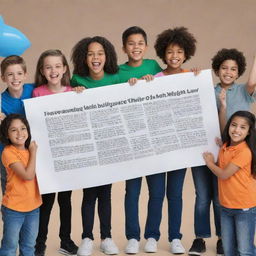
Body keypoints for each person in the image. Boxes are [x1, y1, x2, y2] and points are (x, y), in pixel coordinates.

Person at [154, 27, 218, 255]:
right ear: (163, 53)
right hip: (159, 146)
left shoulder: (192, 76)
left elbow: (203, 107)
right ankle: (152, 236)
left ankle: (175, 237)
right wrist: (145, 83)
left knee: (176, 194)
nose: (174, 56)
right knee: (156, 194)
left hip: (181, 148)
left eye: (179, 51)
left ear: (186, 53)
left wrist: (198, 80)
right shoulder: (156, 79)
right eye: (170, 51)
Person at [71, 36, 120, 256]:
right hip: (87, 148)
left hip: (110, 146)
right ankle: (87, 238)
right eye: (90, 53)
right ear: (84, 57)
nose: (95, 57)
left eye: (100, 53)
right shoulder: (76, 80)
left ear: (107, 55)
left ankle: (106, 237)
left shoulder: (116, 78)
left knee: (106, 195)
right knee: (89, 195)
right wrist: (75, 94)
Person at [117, 26, 164, 254]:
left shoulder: (154, 67)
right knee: (132, 193)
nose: (135, 47)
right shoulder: (117, 72)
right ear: (124, 47)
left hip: (154, 141)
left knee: (156, 192)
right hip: (130, 143)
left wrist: (151, 81)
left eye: (140, 43)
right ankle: (133, 237)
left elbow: (171, 87)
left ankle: (152, 235)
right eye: (131, 43)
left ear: (146, 46)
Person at [33, 49, 80, 256]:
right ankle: (39, 242)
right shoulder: (37, 93)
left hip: (67, 156)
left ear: (65, 69)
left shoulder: (73, 91)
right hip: (46, 159)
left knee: (66, 201)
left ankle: (66, 240)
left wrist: (80, 95)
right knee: (47, 202)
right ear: (42, 71)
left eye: (57, 66)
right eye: (48, 67)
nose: (53, 71)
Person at [203, 111, 256, 256]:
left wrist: (209, 163)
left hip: (244, 209)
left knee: (245, 250)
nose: (237, 130)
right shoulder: (225, 147)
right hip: (226, 207)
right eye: (234, 125)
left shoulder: (245, 152)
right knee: (228, 250)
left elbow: (224, 174)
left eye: (242, 127)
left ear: (249, 132)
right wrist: (217, 155)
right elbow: (222, 167)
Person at [0, 114, 41, 256]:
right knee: (9, 247)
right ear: (6, 134)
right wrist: (34, 153)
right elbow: (27, 176)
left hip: (34, 207)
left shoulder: (30, 149)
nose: (19, 133)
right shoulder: (8, 152)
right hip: (13, 209)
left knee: (29, 246)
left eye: (23, 128)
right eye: (13, 130)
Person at [0, 55, 34, 194]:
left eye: (19, 73)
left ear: (25, 75)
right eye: (10, 74)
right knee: (11, 193)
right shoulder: (1, 102)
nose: (15, 78)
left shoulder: (35, 90)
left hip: (33, 152)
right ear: (3, 78)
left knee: (34, 196)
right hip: (9, 157)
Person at [212, 48, 256, 132]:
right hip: (224, 139)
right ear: (217, 71)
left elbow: (251, 83)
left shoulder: (243, 90)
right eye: (224, 68)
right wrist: (195, 76)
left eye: (233, 69)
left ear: (238, 74)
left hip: (246, 139)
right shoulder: (211, 92)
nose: (228, 72)